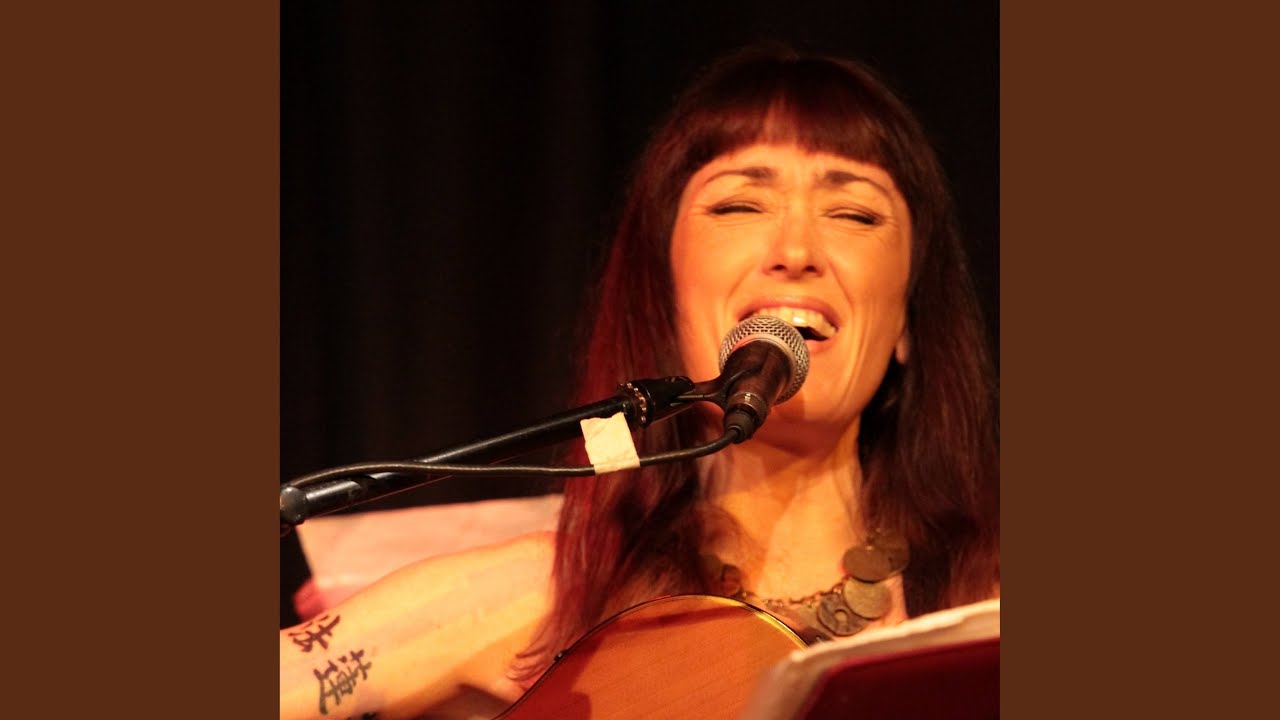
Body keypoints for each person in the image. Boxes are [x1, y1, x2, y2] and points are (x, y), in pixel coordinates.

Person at [280, 45, 999, 720]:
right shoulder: (546, 597)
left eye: (854, 214)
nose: (795, 250)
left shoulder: (994, 604)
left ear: (908, 318)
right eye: (739, 205)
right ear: (665, 295)